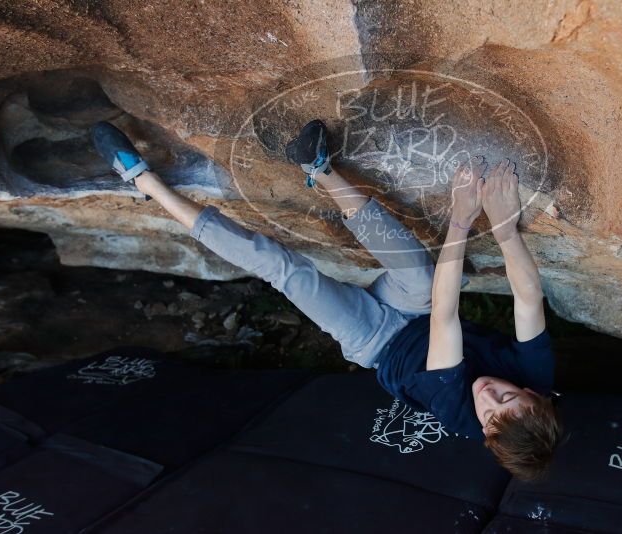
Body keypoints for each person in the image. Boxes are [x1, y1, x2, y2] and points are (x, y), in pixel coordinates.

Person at [92, 119, 562, 481]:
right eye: (508, 394)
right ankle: (318, 167)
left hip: (376, 341)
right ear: (534, 394)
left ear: (482, 430)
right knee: (419, 274)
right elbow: (526, 295)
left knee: (285, 270)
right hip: (416, 308)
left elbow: (447, 317)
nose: (488, 393)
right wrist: (502, 224)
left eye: (489, 410)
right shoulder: (538, 375)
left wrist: (462, 217)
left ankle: (142, 181)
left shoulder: (458, 411)